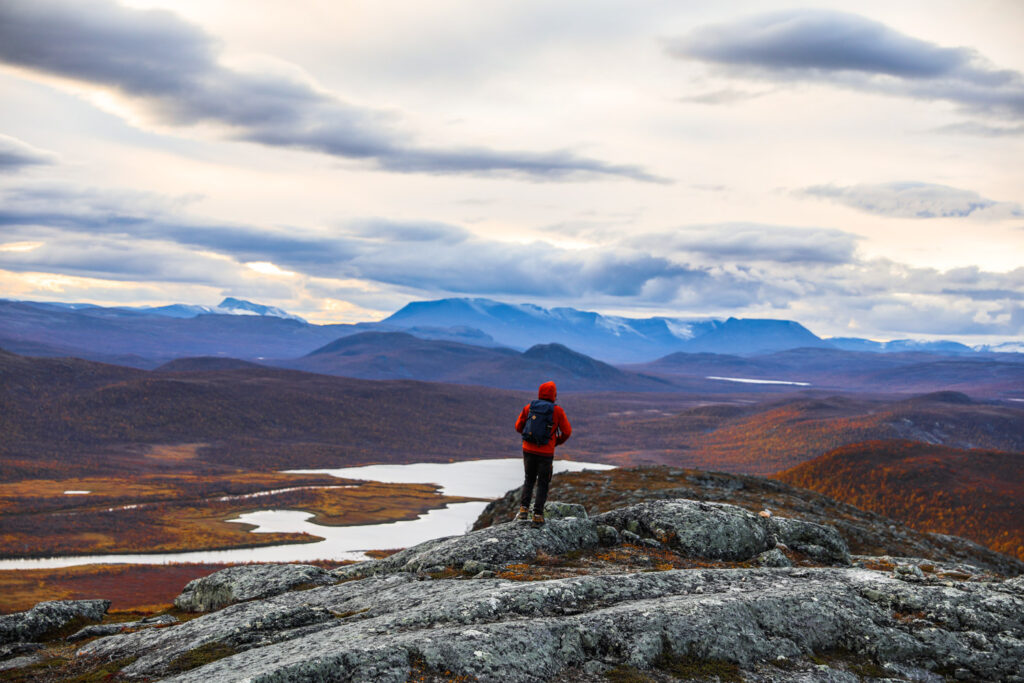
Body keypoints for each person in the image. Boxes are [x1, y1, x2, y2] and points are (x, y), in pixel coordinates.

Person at [514, 380, 572, 525]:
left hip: (528, 449)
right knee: (543, 483)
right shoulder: (557, 411)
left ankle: (523, 511)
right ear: (554, 395)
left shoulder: (529, 407)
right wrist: (554, 442)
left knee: (529, 479)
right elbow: (567, 432)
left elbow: (518, 426)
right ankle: (538, 515)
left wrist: (529, 438)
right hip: (545, 452)